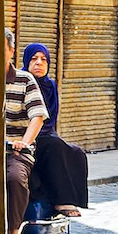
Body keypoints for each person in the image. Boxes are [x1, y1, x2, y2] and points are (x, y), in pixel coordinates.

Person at [21, 42, 87, 216]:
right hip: (24, 136)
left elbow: (50, 118)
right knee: (54, 146)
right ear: (26, 61)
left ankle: (72, 199)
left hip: (47, 134)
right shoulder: (21, 82)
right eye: (34, 59)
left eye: (43, 59)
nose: (39, 63)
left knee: (76, 152)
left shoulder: (50, 86)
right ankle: (61, 201)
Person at [4, 29, 46, 234]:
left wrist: (25, 141)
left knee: (14, 179)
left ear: (11, 51)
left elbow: (37, 116)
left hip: (14, 151)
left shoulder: (24, 80)